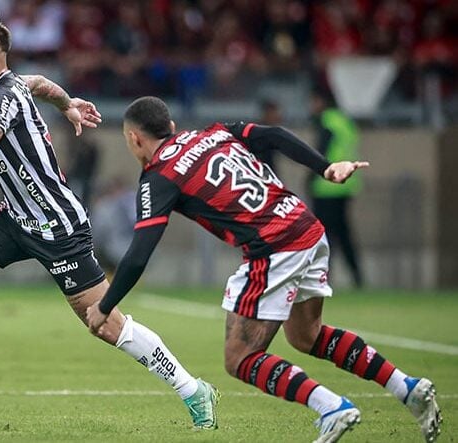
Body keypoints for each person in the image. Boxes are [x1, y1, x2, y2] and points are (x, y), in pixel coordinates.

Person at [0, 17, 219, 429]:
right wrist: (68, 103)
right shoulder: (3, 86)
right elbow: (39, 82)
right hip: (16, 218)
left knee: (105, 324)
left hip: (59, 229)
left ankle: (192, 390)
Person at [86, 96, 441, 443]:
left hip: (274, 247)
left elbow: (138, 254)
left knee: (239, 358)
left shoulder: (159, 176)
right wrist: (325, 167)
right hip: (306, 227)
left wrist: (104, 308)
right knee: (307, 336)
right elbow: (274, 135)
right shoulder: (214, 132)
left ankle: (331, 407)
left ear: (134, 138)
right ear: (173, 127)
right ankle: (406, 388)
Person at [309, 89, 364, 287]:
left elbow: (321, 154)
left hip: (327, 187)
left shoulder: (327, 121)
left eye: (313, 101)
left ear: (321, 101)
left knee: (323, 236)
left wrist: (310, 177)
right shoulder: (345, 121)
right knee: (344, 234)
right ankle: (357, 276)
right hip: (346, 187)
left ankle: (323, 278)